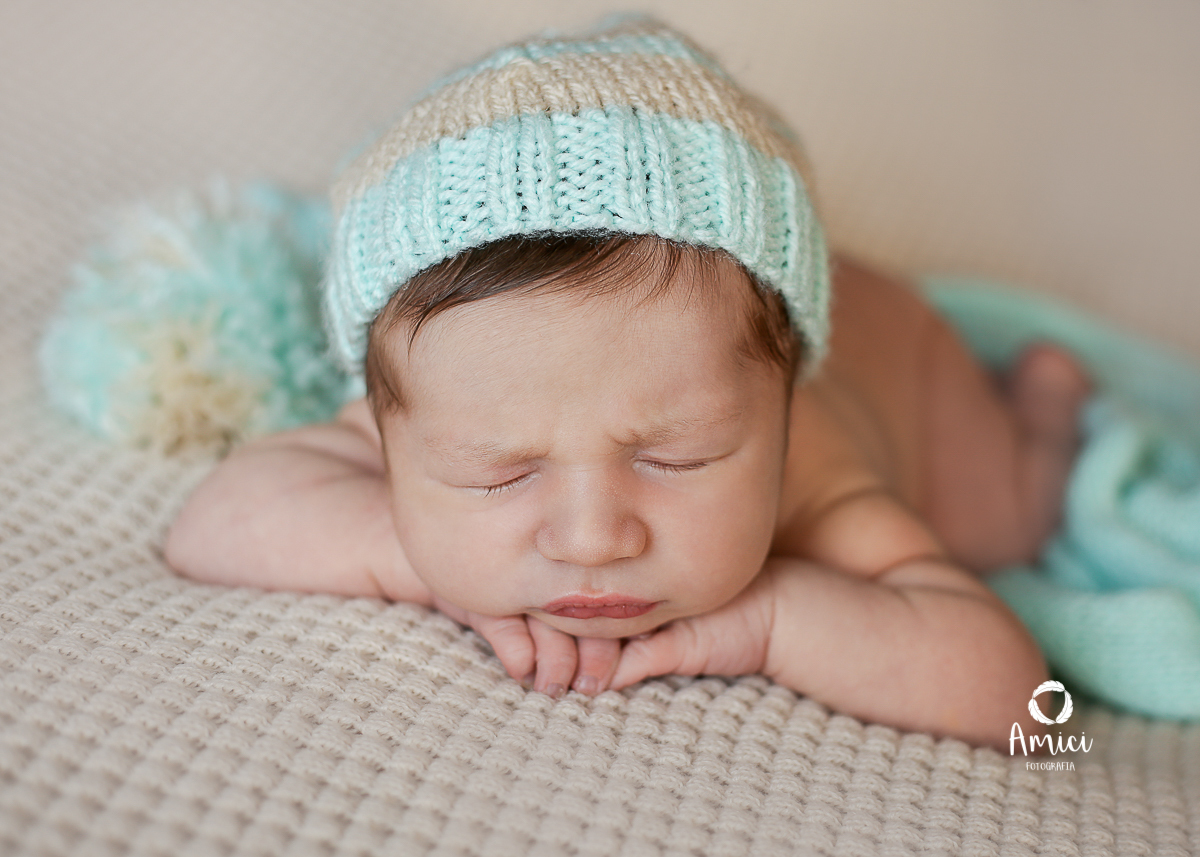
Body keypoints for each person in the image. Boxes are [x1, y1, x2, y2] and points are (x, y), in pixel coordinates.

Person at [165, 16, 1089, 751]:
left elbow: (1026, 706)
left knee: (1002, 520)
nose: (593, 537)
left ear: (781, 408)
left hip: (912, 365)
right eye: (496, 473)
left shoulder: (813, 472)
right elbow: (214, 520)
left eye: (677, 456)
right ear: (388, 418)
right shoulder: (449, 386)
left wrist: (772, 616)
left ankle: (1042, 421)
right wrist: (429, 558)